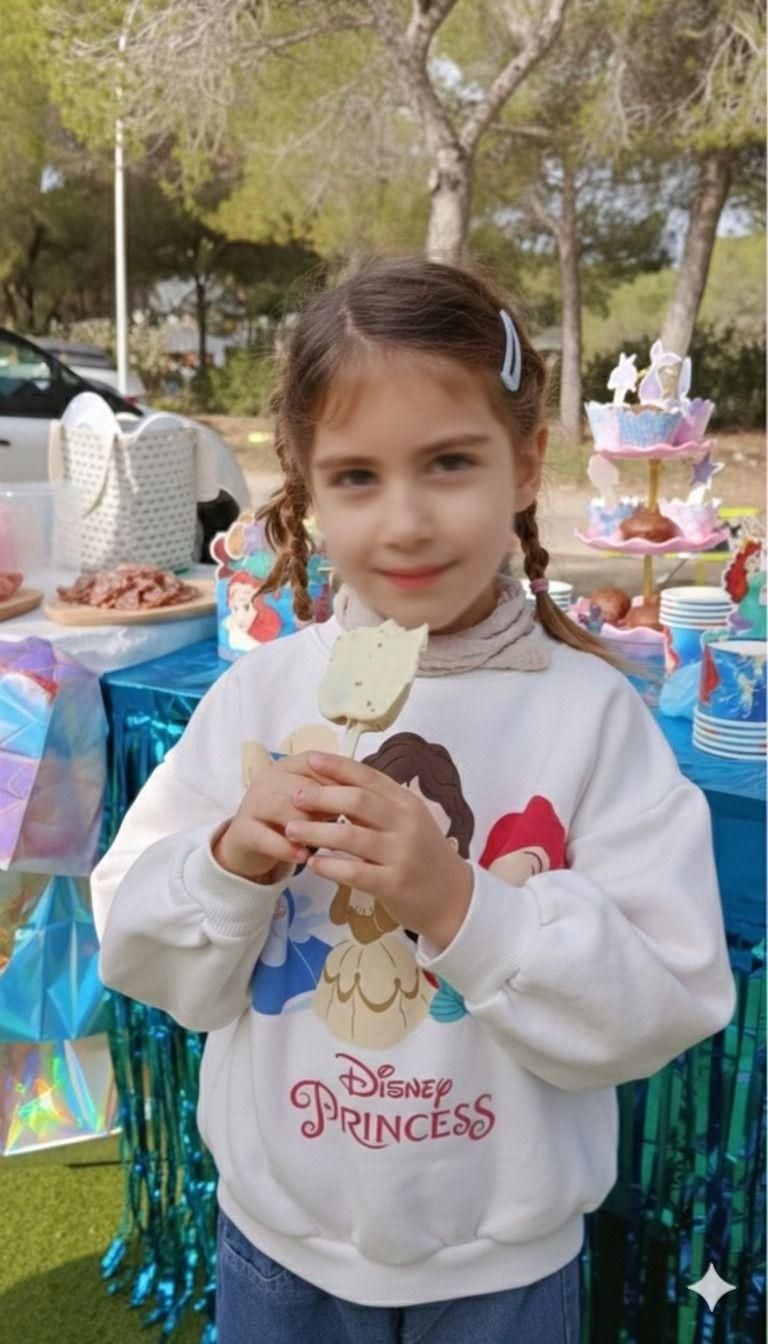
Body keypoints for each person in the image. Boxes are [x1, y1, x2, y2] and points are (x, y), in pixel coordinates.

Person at [92, 257, 735, 1344]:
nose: (403, 523)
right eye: (354, 477)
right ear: (304, 484)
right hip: (280, 1250)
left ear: (526, 463)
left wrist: (461, 903)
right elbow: (137, 944)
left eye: (448, 463)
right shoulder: (261, 698)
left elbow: (666, 1000)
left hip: (505, 1269)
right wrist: (228, 863)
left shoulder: (591, 719)